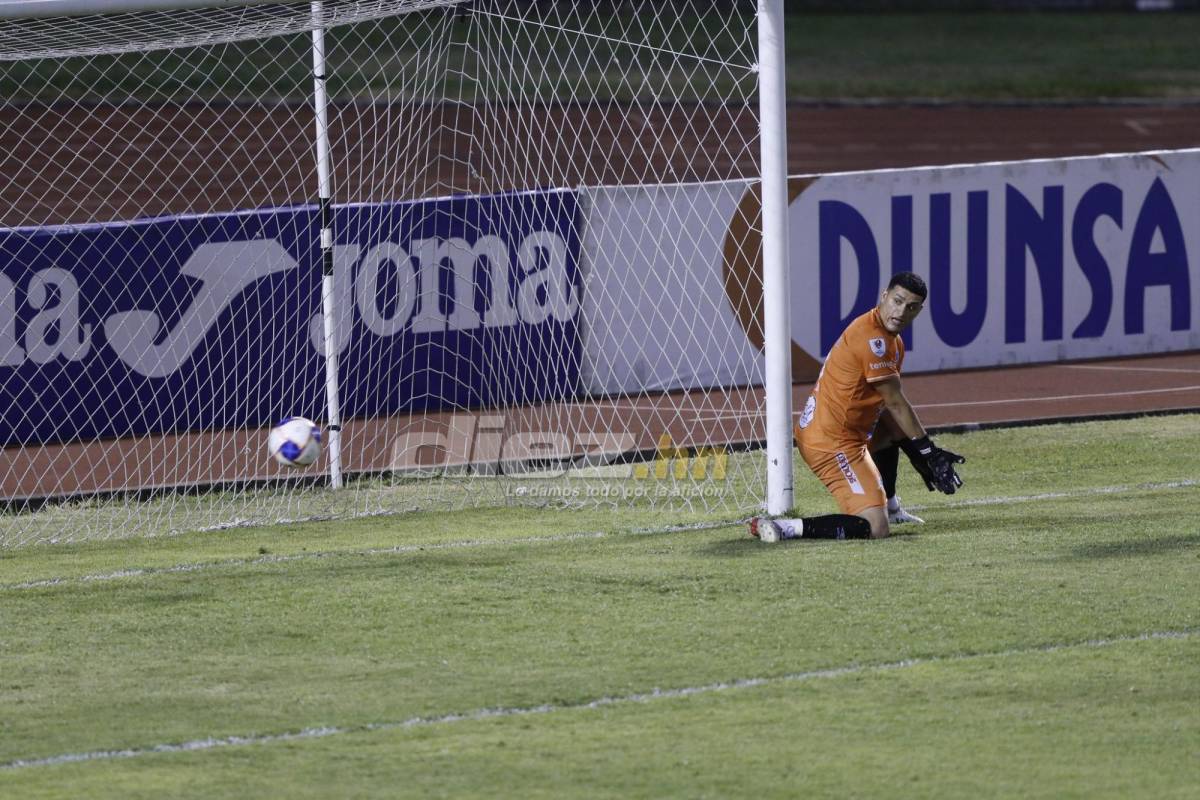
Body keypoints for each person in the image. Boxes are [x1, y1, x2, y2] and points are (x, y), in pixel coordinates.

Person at [750, 271, 964, 542]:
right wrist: (928, 452)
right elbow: (896, 402)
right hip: (831, 444)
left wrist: (919, 450)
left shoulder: (889, 338)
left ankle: (892, 506)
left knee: (893, 429)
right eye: (896, 301)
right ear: (884, 297)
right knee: (875, 527)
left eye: (910, 307)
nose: (900, 311)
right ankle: (786, 527)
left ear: (918, 311)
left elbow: (890, 409)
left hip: (835, 430)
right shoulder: (873, 342)